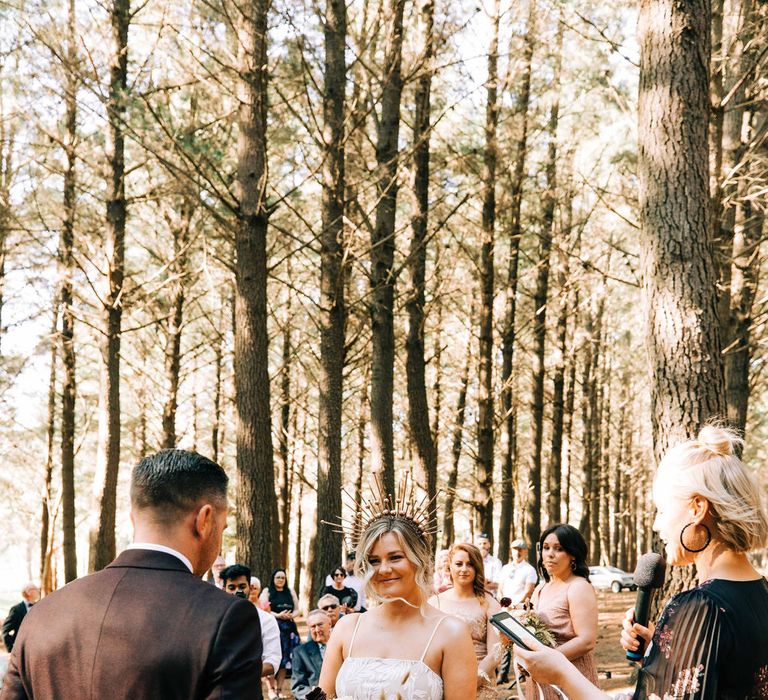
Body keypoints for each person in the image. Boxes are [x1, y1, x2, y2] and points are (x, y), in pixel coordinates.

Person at [513, 425, 768, 700]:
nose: (658, 525)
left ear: (697, 508)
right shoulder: (761, 591)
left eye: (663, 510)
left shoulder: (700, 607)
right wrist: (659, 657)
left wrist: (562, 672)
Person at [1, 449, 262, 699]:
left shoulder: (43, 613)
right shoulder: (225, 618)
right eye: (223, 527)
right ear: (204, 520)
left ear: (133, 518)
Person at [318, 503, 478, 699]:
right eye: (374, 561)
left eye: (395, 557)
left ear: (418, 559)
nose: (383, 569)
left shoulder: (451, 632)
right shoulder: (347, 628)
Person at [525, 523, 598, 700]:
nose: (549, 554)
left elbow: (587, 640)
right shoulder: (541, 588)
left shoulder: (578, 587)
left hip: (571, 675)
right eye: (546, 548)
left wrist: (546, 659)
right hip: (540, 676)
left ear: (573, 554)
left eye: (558, 549)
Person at [428, 543, 501, 699]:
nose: (464, 569)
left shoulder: (490, 604)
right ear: (450, 567)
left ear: (477, 568)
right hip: (442, 681)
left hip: (480, 683)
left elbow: (496, 651)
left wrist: (474, 679)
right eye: (459, 564)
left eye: (470, 564)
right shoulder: (435, 603)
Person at [220, 564, 281, 678]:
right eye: (232, 587)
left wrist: (242, 675)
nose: (237, 591)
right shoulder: (215, 618)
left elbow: (273, 661)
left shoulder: (266, 620)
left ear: (250, 588)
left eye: (242, 586)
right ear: (224, 590)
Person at [497, 539, 538, 684]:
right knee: (505, 641)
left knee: (519, 641)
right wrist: (503, 602)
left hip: (519, 610)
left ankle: (521, 674)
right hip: (505, 609)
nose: (518, 552)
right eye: (515, 549)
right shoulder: (505, 568)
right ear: (511, 550)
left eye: (521, 549)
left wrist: (514, 606)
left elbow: (528, 591)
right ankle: (503, 674)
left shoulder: (529, 569)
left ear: (526, 551)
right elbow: (500, 588)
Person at [259, 568, 301, 699]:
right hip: (273, 626)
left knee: (285, 659)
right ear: (273, 578)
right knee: (271, 657)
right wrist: (278, 615)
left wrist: (290, 615)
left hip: (289, 628)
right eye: (278, 577)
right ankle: (270, 689)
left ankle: (279, 688)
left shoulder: (290, 591)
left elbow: (298, 609)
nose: (280, 580)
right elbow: (262, 608)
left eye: (283, 578)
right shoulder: (267, 591)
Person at [291, 609, 332, 700]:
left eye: (320, 624)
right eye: (313, 626)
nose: (317, 630)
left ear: (330, 623)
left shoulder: (342, 646)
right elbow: (298, 687)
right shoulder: (300, 652)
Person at [2, 583, 40, 653]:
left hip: (38, 648)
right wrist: (11, 650)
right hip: (22, 649)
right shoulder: (16, 609)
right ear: (28, 592)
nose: (38, 591)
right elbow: (5, 631)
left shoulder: (39, 607)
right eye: (35, 589)